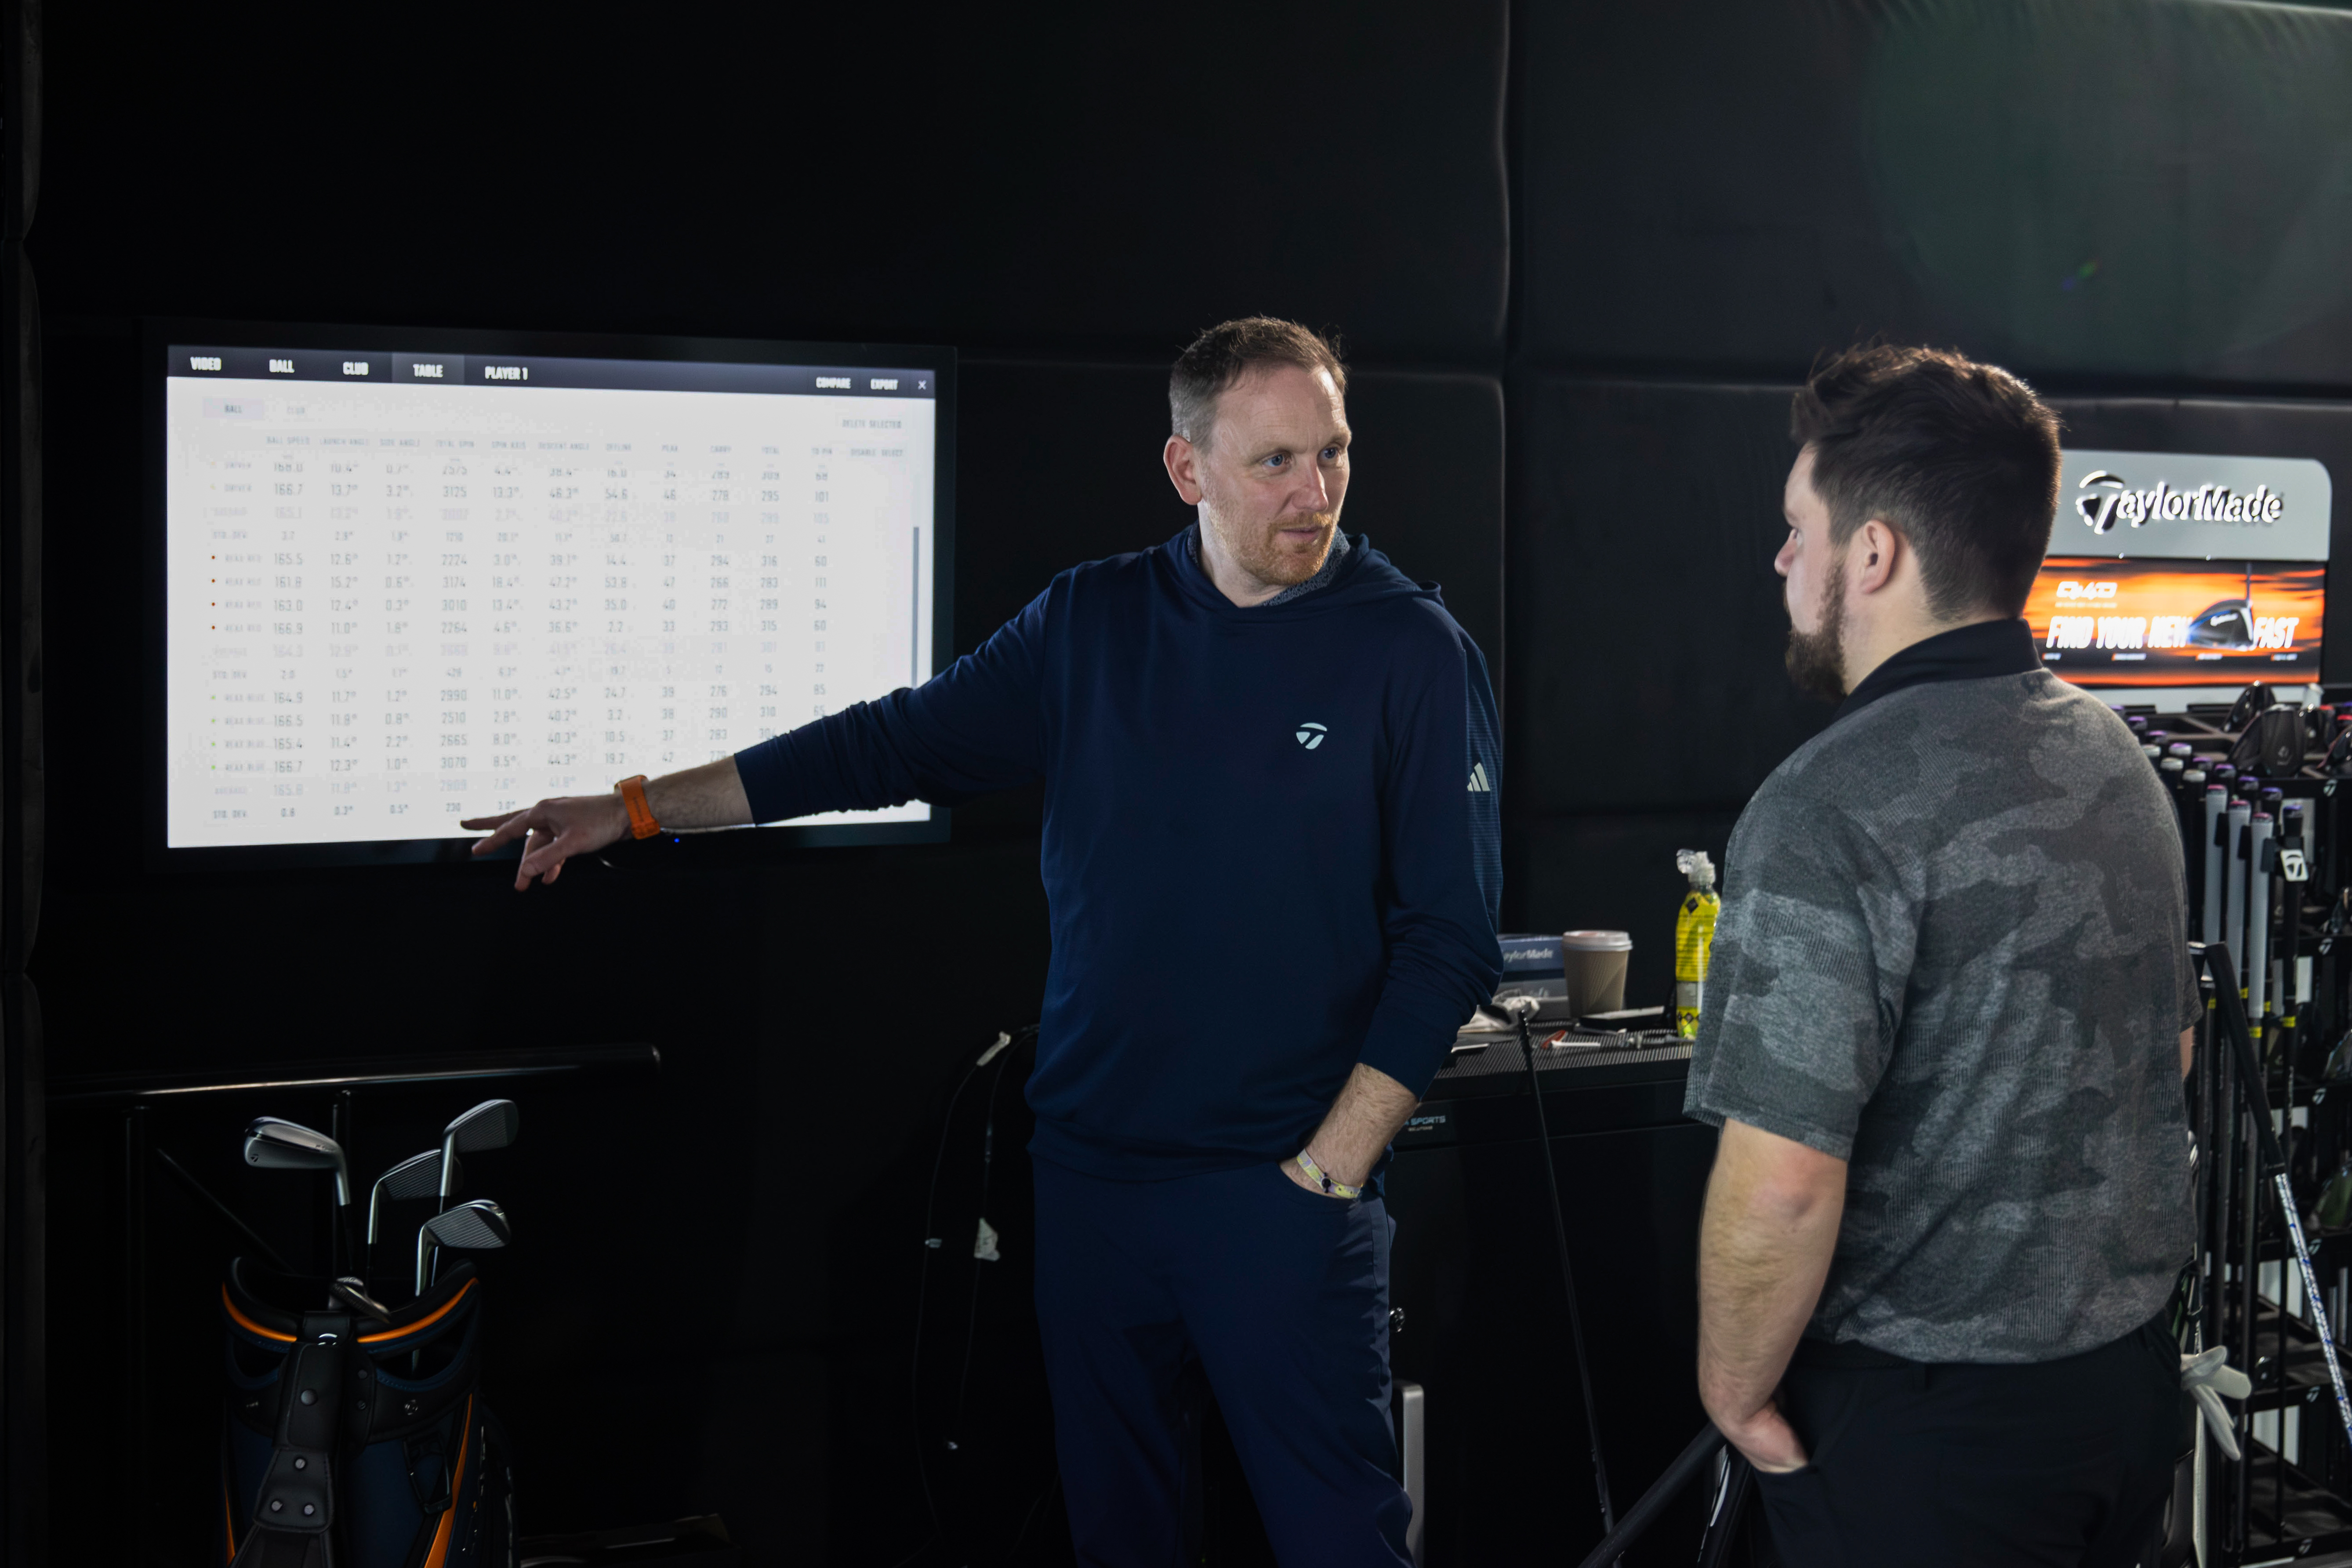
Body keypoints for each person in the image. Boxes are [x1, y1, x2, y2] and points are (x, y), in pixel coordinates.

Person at [462, 317, 1503, 1566]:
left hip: (1282, 1195)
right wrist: (632, 810)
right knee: (1120, 1541)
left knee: (1339, 1544)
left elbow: (1452, 943)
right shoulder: (1090, 622)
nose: (1316, 491)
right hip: (1094, 1185)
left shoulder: (1409, 650)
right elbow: (881, 746)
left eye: (1331, 452)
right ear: (1187, 469)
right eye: (1275, 460)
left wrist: (1327, 1179)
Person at [1684, 345, 2196, 1565]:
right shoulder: (2114, 756)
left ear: (1874, 554)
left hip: (1927, 1447)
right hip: (2123, 1403)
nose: (1782, 560)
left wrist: (1732, 1393)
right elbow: (2168, 1055)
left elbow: (1784, 1180)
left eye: (1798, 529)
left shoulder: (1823, 805)